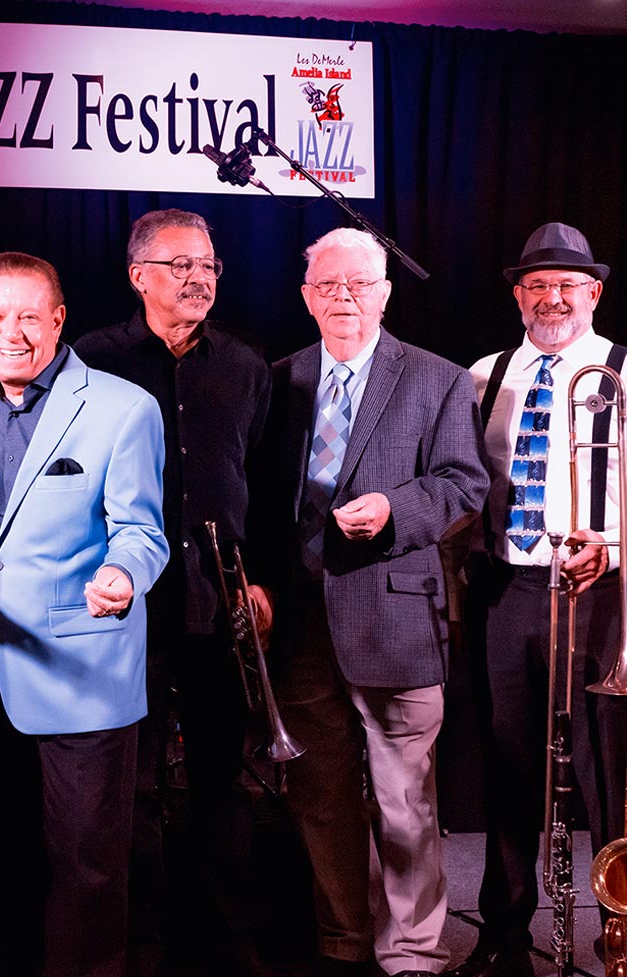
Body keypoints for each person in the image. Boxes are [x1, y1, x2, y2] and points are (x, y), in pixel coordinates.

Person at [267, 226, 489, 977]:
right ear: (307, 297)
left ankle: (413, 952)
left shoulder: (437, 379)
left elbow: (464, 483)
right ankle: (344, 940)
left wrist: (395, 509)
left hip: (397, 619)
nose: (345, 297)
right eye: (329, 285)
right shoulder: (280, 379)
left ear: (385, 294)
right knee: (321, 797)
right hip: (301, 629)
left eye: (360, 284)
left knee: (405, 802)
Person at [74, 209, 274, 977]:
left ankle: (225, 943)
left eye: (209, 265)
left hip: (218, 604)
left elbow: (263, 482)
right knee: (130, 785)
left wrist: (261, 578)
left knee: (223, 782)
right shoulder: (90, 360)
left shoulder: (247, 366)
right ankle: (139, 944)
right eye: (180, 264)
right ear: (138, 276)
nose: (199, 278)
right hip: (127, 607)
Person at [0, 251, 168, 977]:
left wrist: (122, 573)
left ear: (58, 320)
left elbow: (142, 531)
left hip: (82, 671)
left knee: (88, 866)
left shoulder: (123, 407)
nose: (10, 332)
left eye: (28, 316)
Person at [445, 222, 627, 977]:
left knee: (607, 769)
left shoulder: (623, 371)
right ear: (518, 296)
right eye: (537, 285)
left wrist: (611, 543)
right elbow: (459, 484)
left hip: (602, 590)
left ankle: (620, 929)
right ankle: (504, 932)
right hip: (509, 586)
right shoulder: (483, 376)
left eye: (568, 284)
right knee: (509, 762)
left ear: (595, 292)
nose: (553, 298)